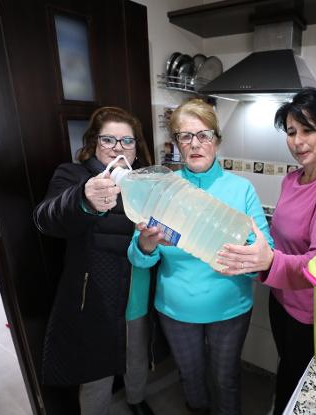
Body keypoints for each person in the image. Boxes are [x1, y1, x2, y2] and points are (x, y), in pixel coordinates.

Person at [217, 88, 316, 415]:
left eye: (308, 130)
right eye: (292, 132)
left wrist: (269, 261)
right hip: (281, 300)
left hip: (310, 315)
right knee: (287, 369)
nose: (298, 141)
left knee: (294, 385)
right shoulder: (292, 180)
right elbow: (282, 238)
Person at [127, 98, 272, 415]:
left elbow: (265, 253)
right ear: (177, 143)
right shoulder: (163, 187)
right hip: (177, 310)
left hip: (230, 309)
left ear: (217, 140)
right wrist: (147, 246)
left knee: (226, 380)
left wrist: (252, 258)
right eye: (185, 136)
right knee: (190, 378)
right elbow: (138, 258)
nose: (195, 144)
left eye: (203, 135)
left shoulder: (241, 189)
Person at [34, 107, 155, 415]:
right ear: (93, 142)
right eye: (109, 139)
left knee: (137, 355)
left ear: (136, 147)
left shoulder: (145, 183)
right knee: (95, 372)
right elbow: (45, 218)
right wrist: (83, 199)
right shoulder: (72, 176)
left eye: (127, 141)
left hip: (137, 291)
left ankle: (136, 400)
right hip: (95, 296)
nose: (118, 148)